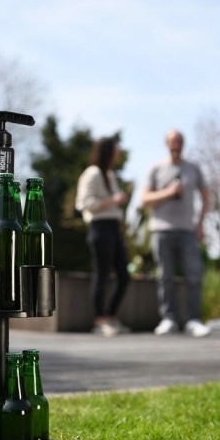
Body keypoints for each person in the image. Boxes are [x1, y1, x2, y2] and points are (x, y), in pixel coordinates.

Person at [141, 129, 210, 337]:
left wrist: (200, 224)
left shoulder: (193, 168)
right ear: (166, 144)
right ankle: (168, 319)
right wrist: (169, 192)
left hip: (188, 230)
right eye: (172, 141)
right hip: (161, 230)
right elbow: (144, 200)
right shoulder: (156, 168)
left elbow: (206, 197)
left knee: (194, 275)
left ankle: (193, 320)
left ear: (183, 144)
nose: (176, 145)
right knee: (165, 277)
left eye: (179, 141)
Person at [75, 136, 131, 336]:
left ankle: (110, 316)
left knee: (124, 275)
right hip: (99, 227)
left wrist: (116, 201)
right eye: (115, 150)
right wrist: (112, 200)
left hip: (114, 227)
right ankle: (100, 320)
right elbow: (83, 203)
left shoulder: (110, 174)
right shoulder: (92, 173)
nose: (118, 153)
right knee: (102, 274)